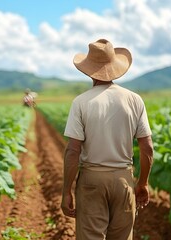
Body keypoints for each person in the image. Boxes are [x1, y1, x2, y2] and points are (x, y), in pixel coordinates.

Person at [61, 39, 154, 240]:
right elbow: (147, 147)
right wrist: (143, 183)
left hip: (91, 180)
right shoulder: (134, 99)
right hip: (123, 180)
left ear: (88, 71)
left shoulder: (81, 102)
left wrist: (67, 190)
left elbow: (72, 151)